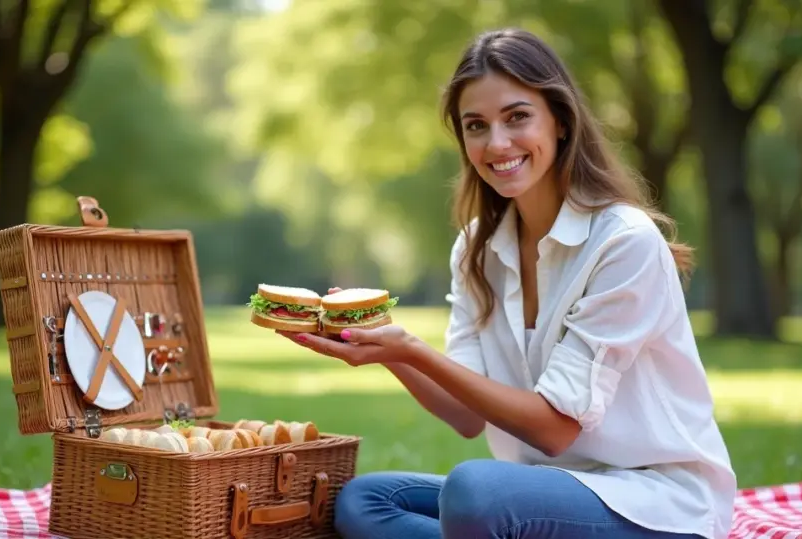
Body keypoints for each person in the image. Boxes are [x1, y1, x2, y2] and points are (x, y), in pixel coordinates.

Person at [278, 28, 737, 539]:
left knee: (477, 492)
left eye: (517, 117)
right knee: (368, 500)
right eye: (476, 126)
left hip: (656, 503)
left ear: (560, 122)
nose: (497, 143)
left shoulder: (623, 242)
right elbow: (466, 416)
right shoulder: (478, 248)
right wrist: (389, 349)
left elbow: (554, 428)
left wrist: (412, 347)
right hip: (544, 492)